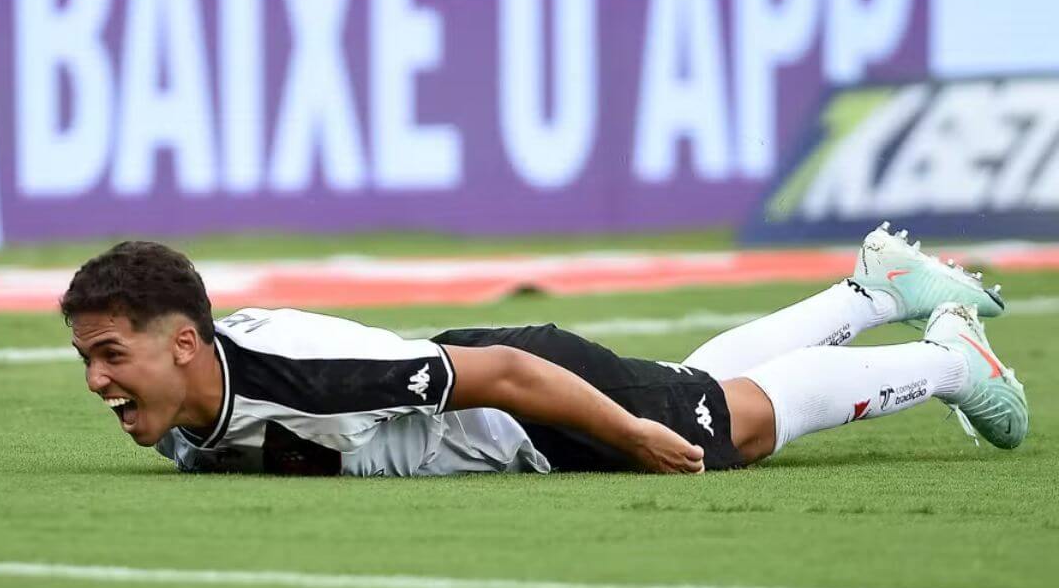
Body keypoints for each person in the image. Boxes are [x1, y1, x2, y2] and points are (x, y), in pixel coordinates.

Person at [60, 223, 1027, 476]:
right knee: (696, 384)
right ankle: (873, 292)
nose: (98, 381)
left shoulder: (297, 377)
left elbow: (507, 376)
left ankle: (951, 360)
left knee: (740, 425)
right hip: (504, 398)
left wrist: (632, 438)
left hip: (523, 407)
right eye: (86, 361)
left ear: (185, 343)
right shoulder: (199, 403)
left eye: (111, 354)